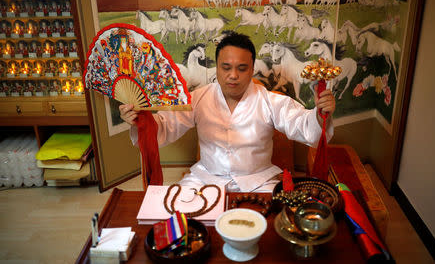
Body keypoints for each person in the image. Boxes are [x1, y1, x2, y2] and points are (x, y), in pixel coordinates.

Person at [119, 33, 335, 192]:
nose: (233, 75)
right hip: (205, 178)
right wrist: (140, 119)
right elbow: (165, 126)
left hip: (259, 181)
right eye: (226, 67)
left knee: (273, 222)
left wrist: (319, 113)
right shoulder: (198, 98)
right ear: (217, 68)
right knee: (176, 213)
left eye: (242, 69)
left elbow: (303, 126)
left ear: (252, 69)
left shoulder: (269, 101)